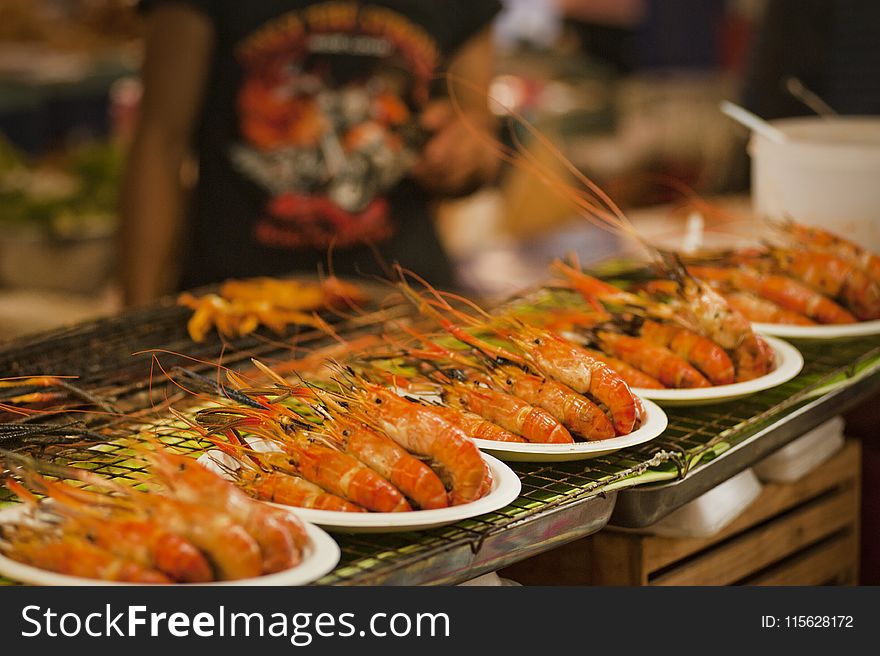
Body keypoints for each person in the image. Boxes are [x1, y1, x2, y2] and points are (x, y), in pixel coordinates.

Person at [119, 0, 502, 306]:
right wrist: (136, 315)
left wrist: (464, 155)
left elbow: (479, 131)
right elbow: (160, 142)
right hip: (238, 299)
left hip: (402, 296)